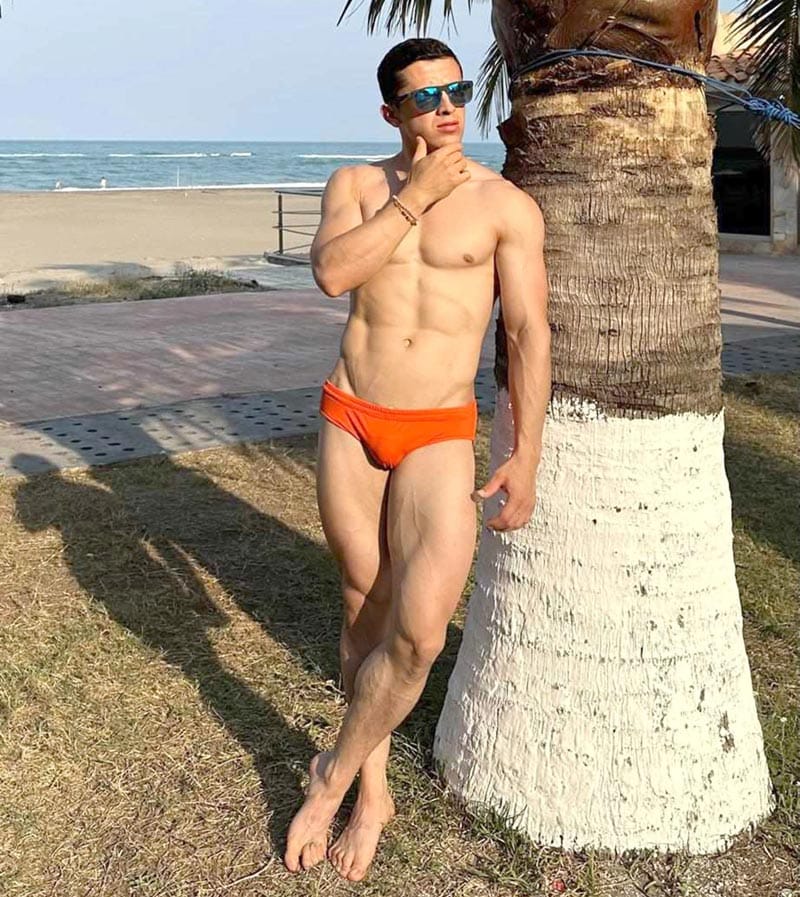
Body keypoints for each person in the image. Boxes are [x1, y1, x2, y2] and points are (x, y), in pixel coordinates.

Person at [284, 37, 551, 882]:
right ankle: (373, 792)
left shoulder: (506, 206)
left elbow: (527, 331)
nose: (445, 108)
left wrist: (526, 453)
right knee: (364, 609)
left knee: (421, 632)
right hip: (354, 415)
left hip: (439, 425)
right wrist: (414, 198)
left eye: (456, 91)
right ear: (390, 111)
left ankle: (330, 775)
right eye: (424, 96)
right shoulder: (358, 186)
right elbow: (333, 273)